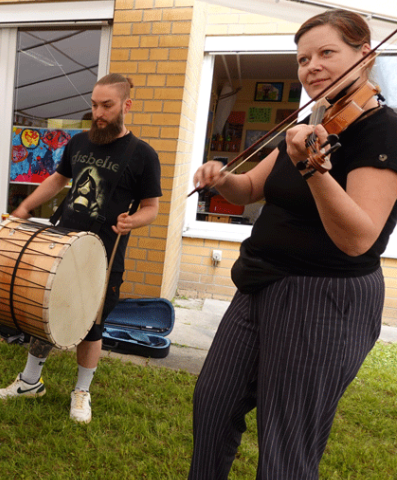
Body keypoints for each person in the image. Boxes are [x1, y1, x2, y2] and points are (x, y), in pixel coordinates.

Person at [188, 10, 397, 479]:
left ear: (365, 55)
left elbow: (359, 238)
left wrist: (313, 169)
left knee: (286, 441)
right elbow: (251, 190)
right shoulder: (311, 123)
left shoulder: (384, 129)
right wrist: (223, 178)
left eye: (327, 53)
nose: (312, 67)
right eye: (303, 59)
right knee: (213, 404)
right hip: (259, 283)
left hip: (323, 297)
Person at [0, 73, 161, 424]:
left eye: (107, 106)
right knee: (46, 312)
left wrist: (134, 221)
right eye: (94, 105)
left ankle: (81, 392)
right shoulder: (79, 143)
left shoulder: (143, 155)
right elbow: (58, 180)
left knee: (91, 324)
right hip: (61, 243)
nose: (98, 113)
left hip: (103, 253)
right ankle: (29, 381)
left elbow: (151, 207)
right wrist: (23, 209)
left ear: (126, 106)